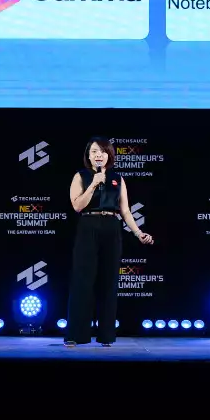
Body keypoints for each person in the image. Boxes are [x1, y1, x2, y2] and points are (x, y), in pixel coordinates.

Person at [64, 137, 153, 347]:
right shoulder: (81, 176)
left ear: (109, 155)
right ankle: (76, 335)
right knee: (82, 281)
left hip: (112, 227)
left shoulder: (118, 178)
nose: (98, 155)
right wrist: (94, 184)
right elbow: (77, 206)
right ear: (88, 155)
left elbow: (125, 211)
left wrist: (138, 233)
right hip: (88, 225)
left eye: (103, 152)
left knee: (109, 281)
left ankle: (106, 336)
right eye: (94, 151)